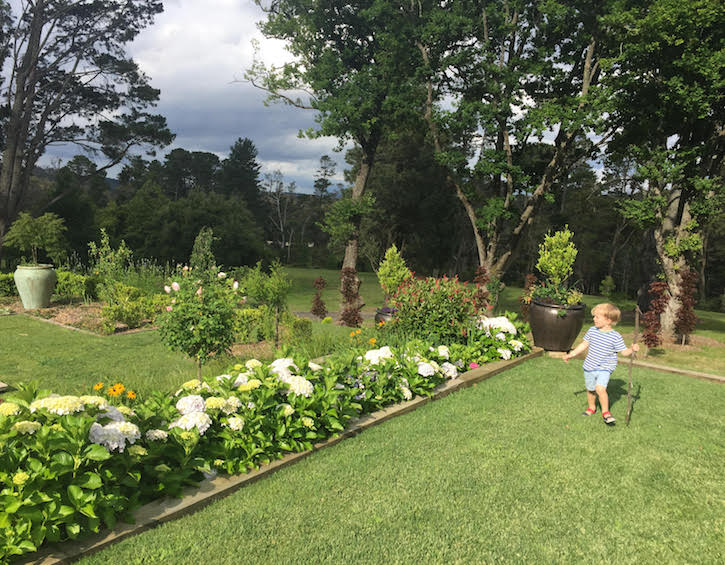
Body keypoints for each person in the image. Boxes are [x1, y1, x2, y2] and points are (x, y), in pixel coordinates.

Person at [563, 303, 639, 425]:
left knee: (600, 388)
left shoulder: (615, 336)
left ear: (609, 320)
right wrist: (571, 354)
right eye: (594, 316)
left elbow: (624, 352)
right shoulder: (592, 331)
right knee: (591, 389)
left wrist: (632, 350)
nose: (594, 319)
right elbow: (583, 345)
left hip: (605, 367)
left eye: (597, 317)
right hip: (589, 366)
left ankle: (605, 412)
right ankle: (591, 408)